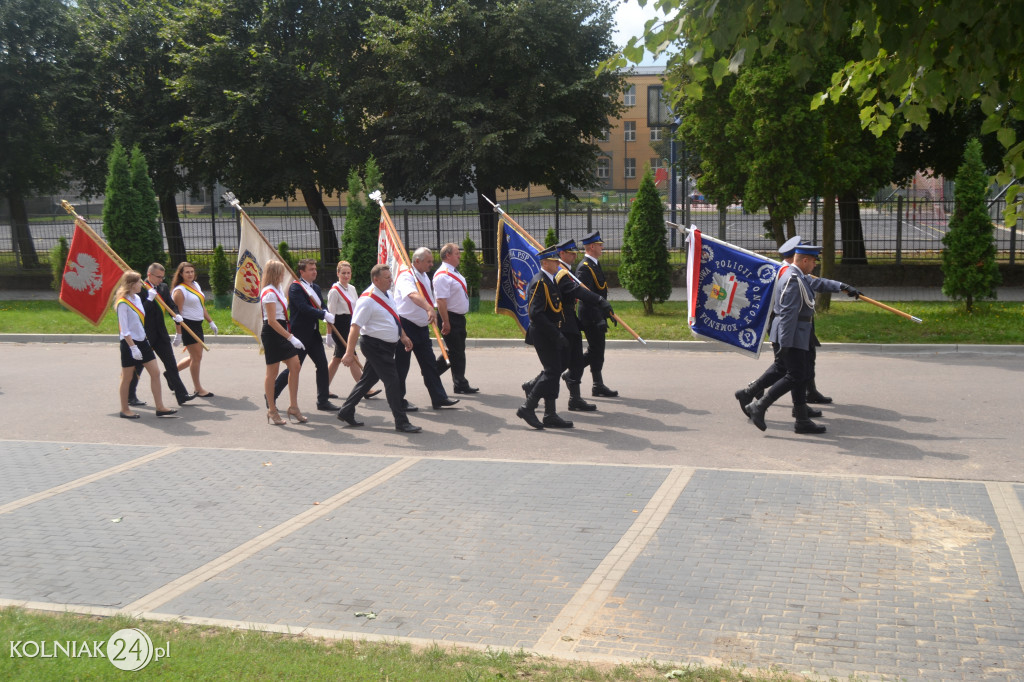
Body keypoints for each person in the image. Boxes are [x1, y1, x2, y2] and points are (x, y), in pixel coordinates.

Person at [735, 237, 860, 419]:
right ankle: (760, 403)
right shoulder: (791, 276)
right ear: (803, 259)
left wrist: (842, 287)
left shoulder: (798, 274)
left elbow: (817, 283)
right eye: (814, 260)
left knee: (794, 369)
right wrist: (785, 344)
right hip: (790, 332)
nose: (816, 264)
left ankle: (798, 412)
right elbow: (788, 313)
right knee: (794, 372)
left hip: (796, 331)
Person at [522, 239, 614, 412]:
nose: (574, 256)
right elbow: (575, 291)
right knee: (559, 365)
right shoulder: (561, 274)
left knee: (575, 362)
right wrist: (599, 300)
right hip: (563, 323)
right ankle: (534, 388)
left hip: (570, 321)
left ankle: (574, 398)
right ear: (562, 254)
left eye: (574, 253)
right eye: (570, 253)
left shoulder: (564, 271)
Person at [336, 264, 421, 433]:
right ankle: (401, 421)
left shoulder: (388, 294)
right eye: (387, 278)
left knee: (368, 379)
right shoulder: (367, 299)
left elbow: (394, 317)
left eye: (391, 276)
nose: (391, 280)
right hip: (375, 346)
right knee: (393, 381)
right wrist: (348, 353)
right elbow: (355, 327)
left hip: (387, 346)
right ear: (376, 279)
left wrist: (402, 336)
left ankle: (346, 410)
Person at [516, 245, 573, 429]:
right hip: (544, 334)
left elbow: (556, 309)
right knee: (552, 372)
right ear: (544, 263)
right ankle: (528, 407)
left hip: (553, 333)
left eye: (558, 260)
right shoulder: (540, 282)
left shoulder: (550, 280)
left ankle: (550, 414)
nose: (558, 263)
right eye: (554, 261)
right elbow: (536, 314)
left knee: (554, 371)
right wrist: (555, 334)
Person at [394, 247, 458, 410]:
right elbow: (413, 295)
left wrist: (431, 314)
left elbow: (426, 296)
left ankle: (439, 397)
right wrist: (429, 308)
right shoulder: (406, 276)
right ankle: (398, 401)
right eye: (428, 261)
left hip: (421, 327)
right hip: (406, 326)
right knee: (402, 366)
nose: (432, 264)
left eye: (431, 261)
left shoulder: (423, 276)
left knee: (429, 364)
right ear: (417, 261)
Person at [272, 259, 338, 412]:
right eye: (311, 269)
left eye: (315, 269)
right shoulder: (296, 288)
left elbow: (321, 305)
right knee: (294, 368)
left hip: (313, 334)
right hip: (299, 335)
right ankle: (272, 393)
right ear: (302, 272)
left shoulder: (314, 287)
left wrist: (326, 312)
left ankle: (322, 401)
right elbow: (303, 308)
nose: (315, 272)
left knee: (322, 365)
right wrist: (322, 315)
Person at [127, 263, 194, 407]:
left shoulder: (162, 288)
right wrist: (150, 299)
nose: (161, 280)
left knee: (170, 363)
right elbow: (139, 314)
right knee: (138, 366)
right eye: (158, 277)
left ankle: (181, 395)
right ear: (149, 275)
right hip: (144, 335)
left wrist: (176, 315)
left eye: (163, 277)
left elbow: (170, 304)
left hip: (160, 334)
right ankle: (130, 395)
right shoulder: (140, 289)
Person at [114, 271, 176, 419]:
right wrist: (133, 347)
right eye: (138, 282)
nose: (141, 285)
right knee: (127, 377)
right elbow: (124, 328)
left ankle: (160, 407)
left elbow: (141, 318)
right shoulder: (123, 303)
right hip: (130, 344)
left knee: (155, 372)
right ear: (131, 284)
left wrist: (149, 300)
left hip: (142, 341)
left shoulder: (136, 298)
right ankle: (124, 409)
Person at [259, 259, 307, 425]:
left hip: (281, 329)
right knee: (272, 372)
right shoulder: (269, 292)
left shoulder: (277, 289)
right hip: (273, 332)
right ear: (274, 273)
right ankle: (272, 410)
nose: (283, 274)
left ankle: (293, 407)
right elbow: (271, 320)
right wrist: (291, 337)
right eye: (281, 272)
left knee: (295, 365)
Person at [326, 260, 381, 400]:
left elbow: (356, 308)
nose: (346, 275)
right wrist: (329, 334)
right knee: (352, 356)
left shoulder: (352, 288)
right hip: (339, 326)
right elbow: (330, 315)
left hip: (349, 324)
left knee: (337, 359)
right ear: (338, 273)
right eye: (343, 273)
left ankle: (323, 387)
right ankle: (365, 389)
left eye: (348, 273)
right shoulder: (334, 291)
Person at [575, 230, 618, 397]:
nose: (602, 247)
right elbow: (586, 297)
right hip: (590, 316)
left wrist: (606, 311)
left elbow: (600, 293)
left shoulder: (594, 264)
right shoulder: (584, 268)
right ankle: (573, 373)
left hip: (597, 314)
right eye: (599, 245)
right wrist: (597, 317)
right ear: (591, 246)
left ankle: (597, 384)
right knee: (596, 351)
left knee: (597, 351)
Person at [432, 243, 479, 395]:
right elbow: (441, 301)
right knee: (456, 351)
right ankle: (433, 373)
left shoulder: (453, 272)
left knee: (457, 351)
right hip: (449, 317)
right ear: (448, 256)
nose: (459, 256)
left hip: (458, 317)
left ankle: (458, 382)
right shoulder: (443, 275)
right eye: (457, 253)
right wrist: (446, 321)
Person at [172, 261, 217, 398]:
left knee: (195, 356)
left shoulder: (196, 285)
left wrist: (210, 321)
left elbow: (201, 306)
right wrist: (178, 333)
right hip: (187, 325)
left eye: (192, 271)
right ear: (181, 274)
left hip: (198, 324)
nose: (190, 274)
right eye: (187, 272)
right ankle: (198, 388)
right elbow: (176, 314)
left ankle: (171, 373)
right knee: (197, 357)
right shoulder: (179, 291)